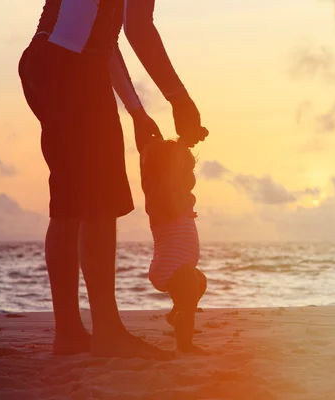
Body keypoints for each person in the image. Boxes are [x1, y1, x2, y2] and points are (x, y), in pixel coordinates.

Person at [18, 0, 208, 359]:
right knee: (100, 203)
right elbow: (138, 29)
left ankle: (70, 334)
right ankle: (106, 333)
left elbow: (103, 41)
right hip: (75, 69)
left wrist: (136, 111)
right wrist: (179, 99)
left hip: (41, 63)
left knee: (68, 204)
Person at [140, 137, 208, 354]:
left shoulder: (178, 197)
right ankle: (185, 344)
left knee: (200, 281)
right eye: (186, 169)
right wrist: (182, 138)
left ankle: (175, 316)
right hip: (172, 268)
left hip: (178, 267)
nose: (191, 175)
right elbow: (171, 174)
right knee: (189, 295)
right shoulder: (164, 198)